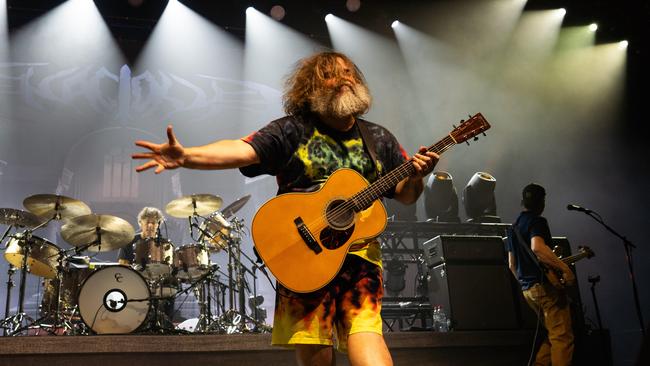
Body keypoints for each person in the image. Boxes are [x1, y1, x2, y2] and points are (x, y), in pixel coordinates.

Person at [132, 51, 438, 366]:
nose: (345, 78)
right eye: (332, 74)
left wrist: (416, 176)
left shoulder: (378, 138)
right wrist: (187, 157)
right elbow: (240, 149)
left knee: (368, 337)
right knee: (316, 353)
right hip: (303, 253)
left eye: (350, 73)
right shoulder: (292, 130)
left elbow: (405, 195)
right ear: (311, 88)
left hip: (360, 257)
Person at [507, 183, 575, 366]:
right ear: (542, 202)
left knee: (552, 334)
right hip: (544, 287)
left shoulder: (512, 228)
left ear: (523, 201)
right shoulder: (537, 221)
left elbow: (512, 265)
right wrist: (565, 269)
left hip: (528, 291)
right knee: (562, 338)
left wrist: (526, 285)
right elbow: (537, 247)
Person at [117, 206, 176, 325]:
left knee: (171, 288)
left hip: (159, 282)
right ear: (140, 223)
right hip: (135, 282)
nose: (150, 226)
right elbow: (122, 266)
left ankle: (166, 324)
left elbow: (171, 268)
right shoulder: (129, 241)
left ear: (158, 224)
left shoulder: (165, 244)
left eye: (153, 223)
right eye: (147, 222)